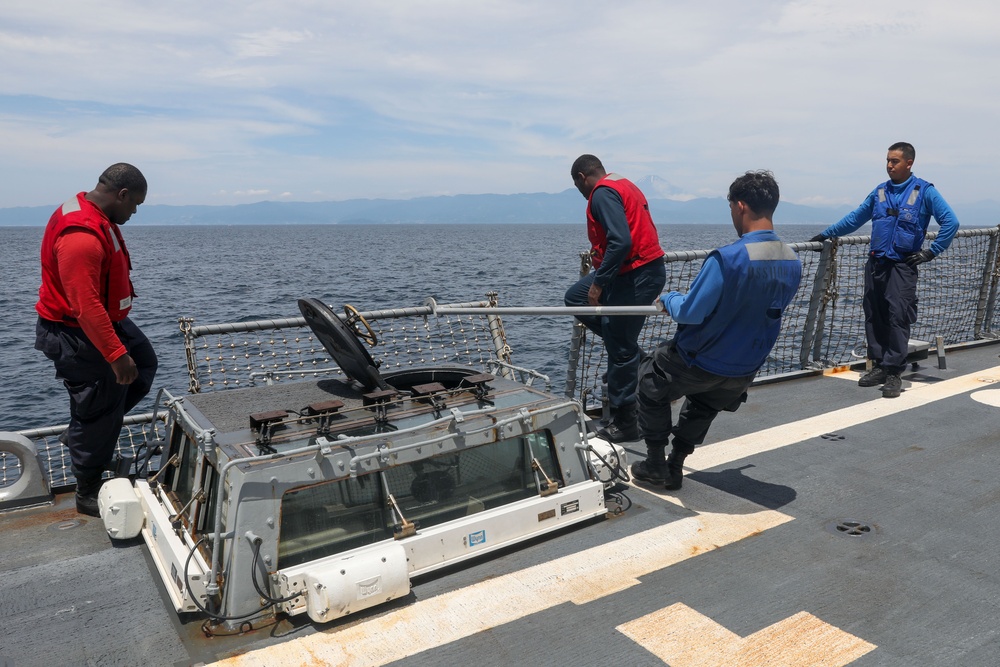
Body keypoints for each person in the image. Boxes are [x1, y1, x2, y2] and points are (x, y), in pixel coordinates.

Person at [631, 170, 801, 491]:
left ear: (740, 206)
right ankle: (676, 463)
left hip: (701, 362)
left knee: (649, 381)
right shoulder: (792, 259)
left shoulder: (727, 258)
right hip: (744, 371)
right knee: (705, 403)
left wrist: (669, 298)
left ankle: (655, 463)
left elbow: (691, 312)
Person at [34, 163, 158, 516]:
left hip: (106, 322)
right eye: (134, 204)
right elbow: (85, 305)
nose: (133, 212)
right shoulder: (82, 236)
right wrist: (116, 354)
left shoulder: (92, 212)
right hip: (77, 333)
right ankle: (87, 491)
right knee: (99, 403)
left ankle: (85, 434)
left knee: (145, 363)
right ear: (121, 195)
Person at [810, 142, 960, 399]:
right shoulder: (880, 192)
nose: (889, 165)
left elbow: (951, 222)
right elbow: (856, 217)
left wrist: (931, 252)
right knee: (874, 314)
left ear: (909, 163)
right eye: (888, 160)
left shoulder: (925, 192)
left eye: (895, 161)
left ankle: (893, 373)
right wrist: (826, 234)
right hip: (877, 264)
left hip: (902, 266)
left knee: (898, 316)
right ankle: (879, 365)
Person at [565, 155, 666, 442]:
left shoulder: (601, 194)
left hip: (637, 275)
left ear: (583, 177)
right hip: (633, 272)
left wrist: (599, 283)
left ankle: (625, 422)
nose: (582, 193)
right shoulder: (623, 184)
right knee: (575, 298)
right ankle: (635, 356)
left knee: (620, 348)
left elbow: (621, 240)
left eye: (578, 186)